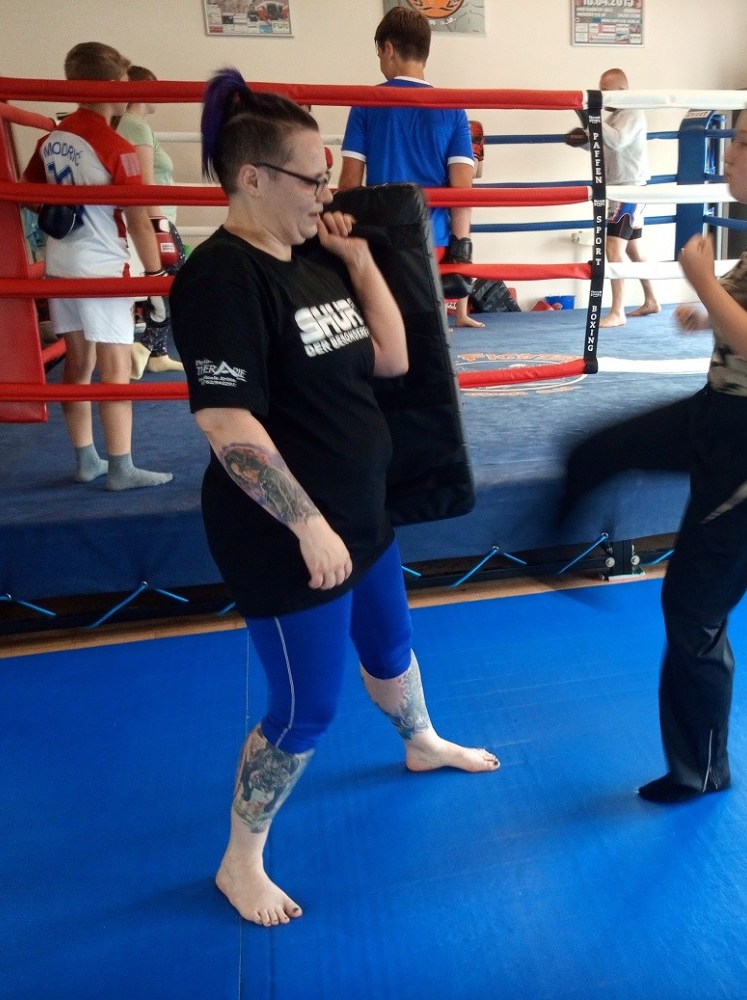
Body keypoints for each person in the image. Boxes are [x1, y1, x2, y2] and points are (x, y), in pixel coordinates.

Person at [170, 68, 499, 928]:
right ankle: (240, 862)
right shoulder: (221, 277)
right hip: (286, 536)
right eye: (313, 178)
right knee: (305, 709)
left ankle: (420, 742)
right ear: (253, 178)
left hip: (363, 515)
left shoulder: (316, 259)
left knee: (390, 646)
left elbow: (393, 358)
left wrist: (359, 260)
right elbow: (226, 419)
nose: (327, 193)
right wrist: (308, 523)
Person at [557, 87, 747, 804]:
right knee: (597, 448)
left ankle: (703, 768)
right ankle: (556, 555)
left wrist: (706, 288)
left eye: (745, 142)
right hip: (725, 415)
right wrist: (707, 309)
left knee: (694, 608)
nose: (729, 153)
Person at [22, 42, 173, 491]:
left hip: (61, 265)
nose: (129, 90)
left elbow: (29, 192)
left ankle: (87, 460)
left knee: (78, 363)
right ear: (109, 86)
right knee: (114, 371)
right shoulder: (115, 145)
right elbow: (137, 217)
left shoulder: (51, 139)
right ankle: (121, 468)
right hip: (104, 269)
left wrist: (68, 208)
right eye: (125, 82)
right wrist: (155, 277)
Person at [338, 6, 484, 329]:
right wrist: (461, 251)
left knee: (383, 331)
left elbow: (348, 185)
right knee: (429, 333)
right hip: (434, 244)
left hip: (381, 244)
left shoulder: (365, 103)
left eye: (379, 53)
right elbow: (463, 190)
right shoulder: (453, 108)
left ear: (389, 49)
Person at [564, 68, 661, 328]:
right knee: (633, 249)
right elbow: (602, 144)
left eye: (605, 91)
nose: (602, 96)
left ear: (622, 91)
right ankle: (652, 299)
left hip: (627, 190)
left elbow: (617, 141)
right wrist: (583, 138)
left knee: (613, 249)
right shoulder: (615, 117)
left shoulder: (632, 113)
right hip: (623, 189)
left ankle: (618, 311)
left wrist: (592, 120)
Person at [114, 64, 186, 377]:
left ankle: (157, 353)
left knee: (167, 284)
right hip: (155, 219)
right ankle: (145, 346)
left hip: (154, 218)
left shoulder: (134, 126)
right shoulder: (135, 127)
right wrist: (159, 229)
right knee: (173, 283)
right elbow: (144, 184)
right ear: (143, 88)